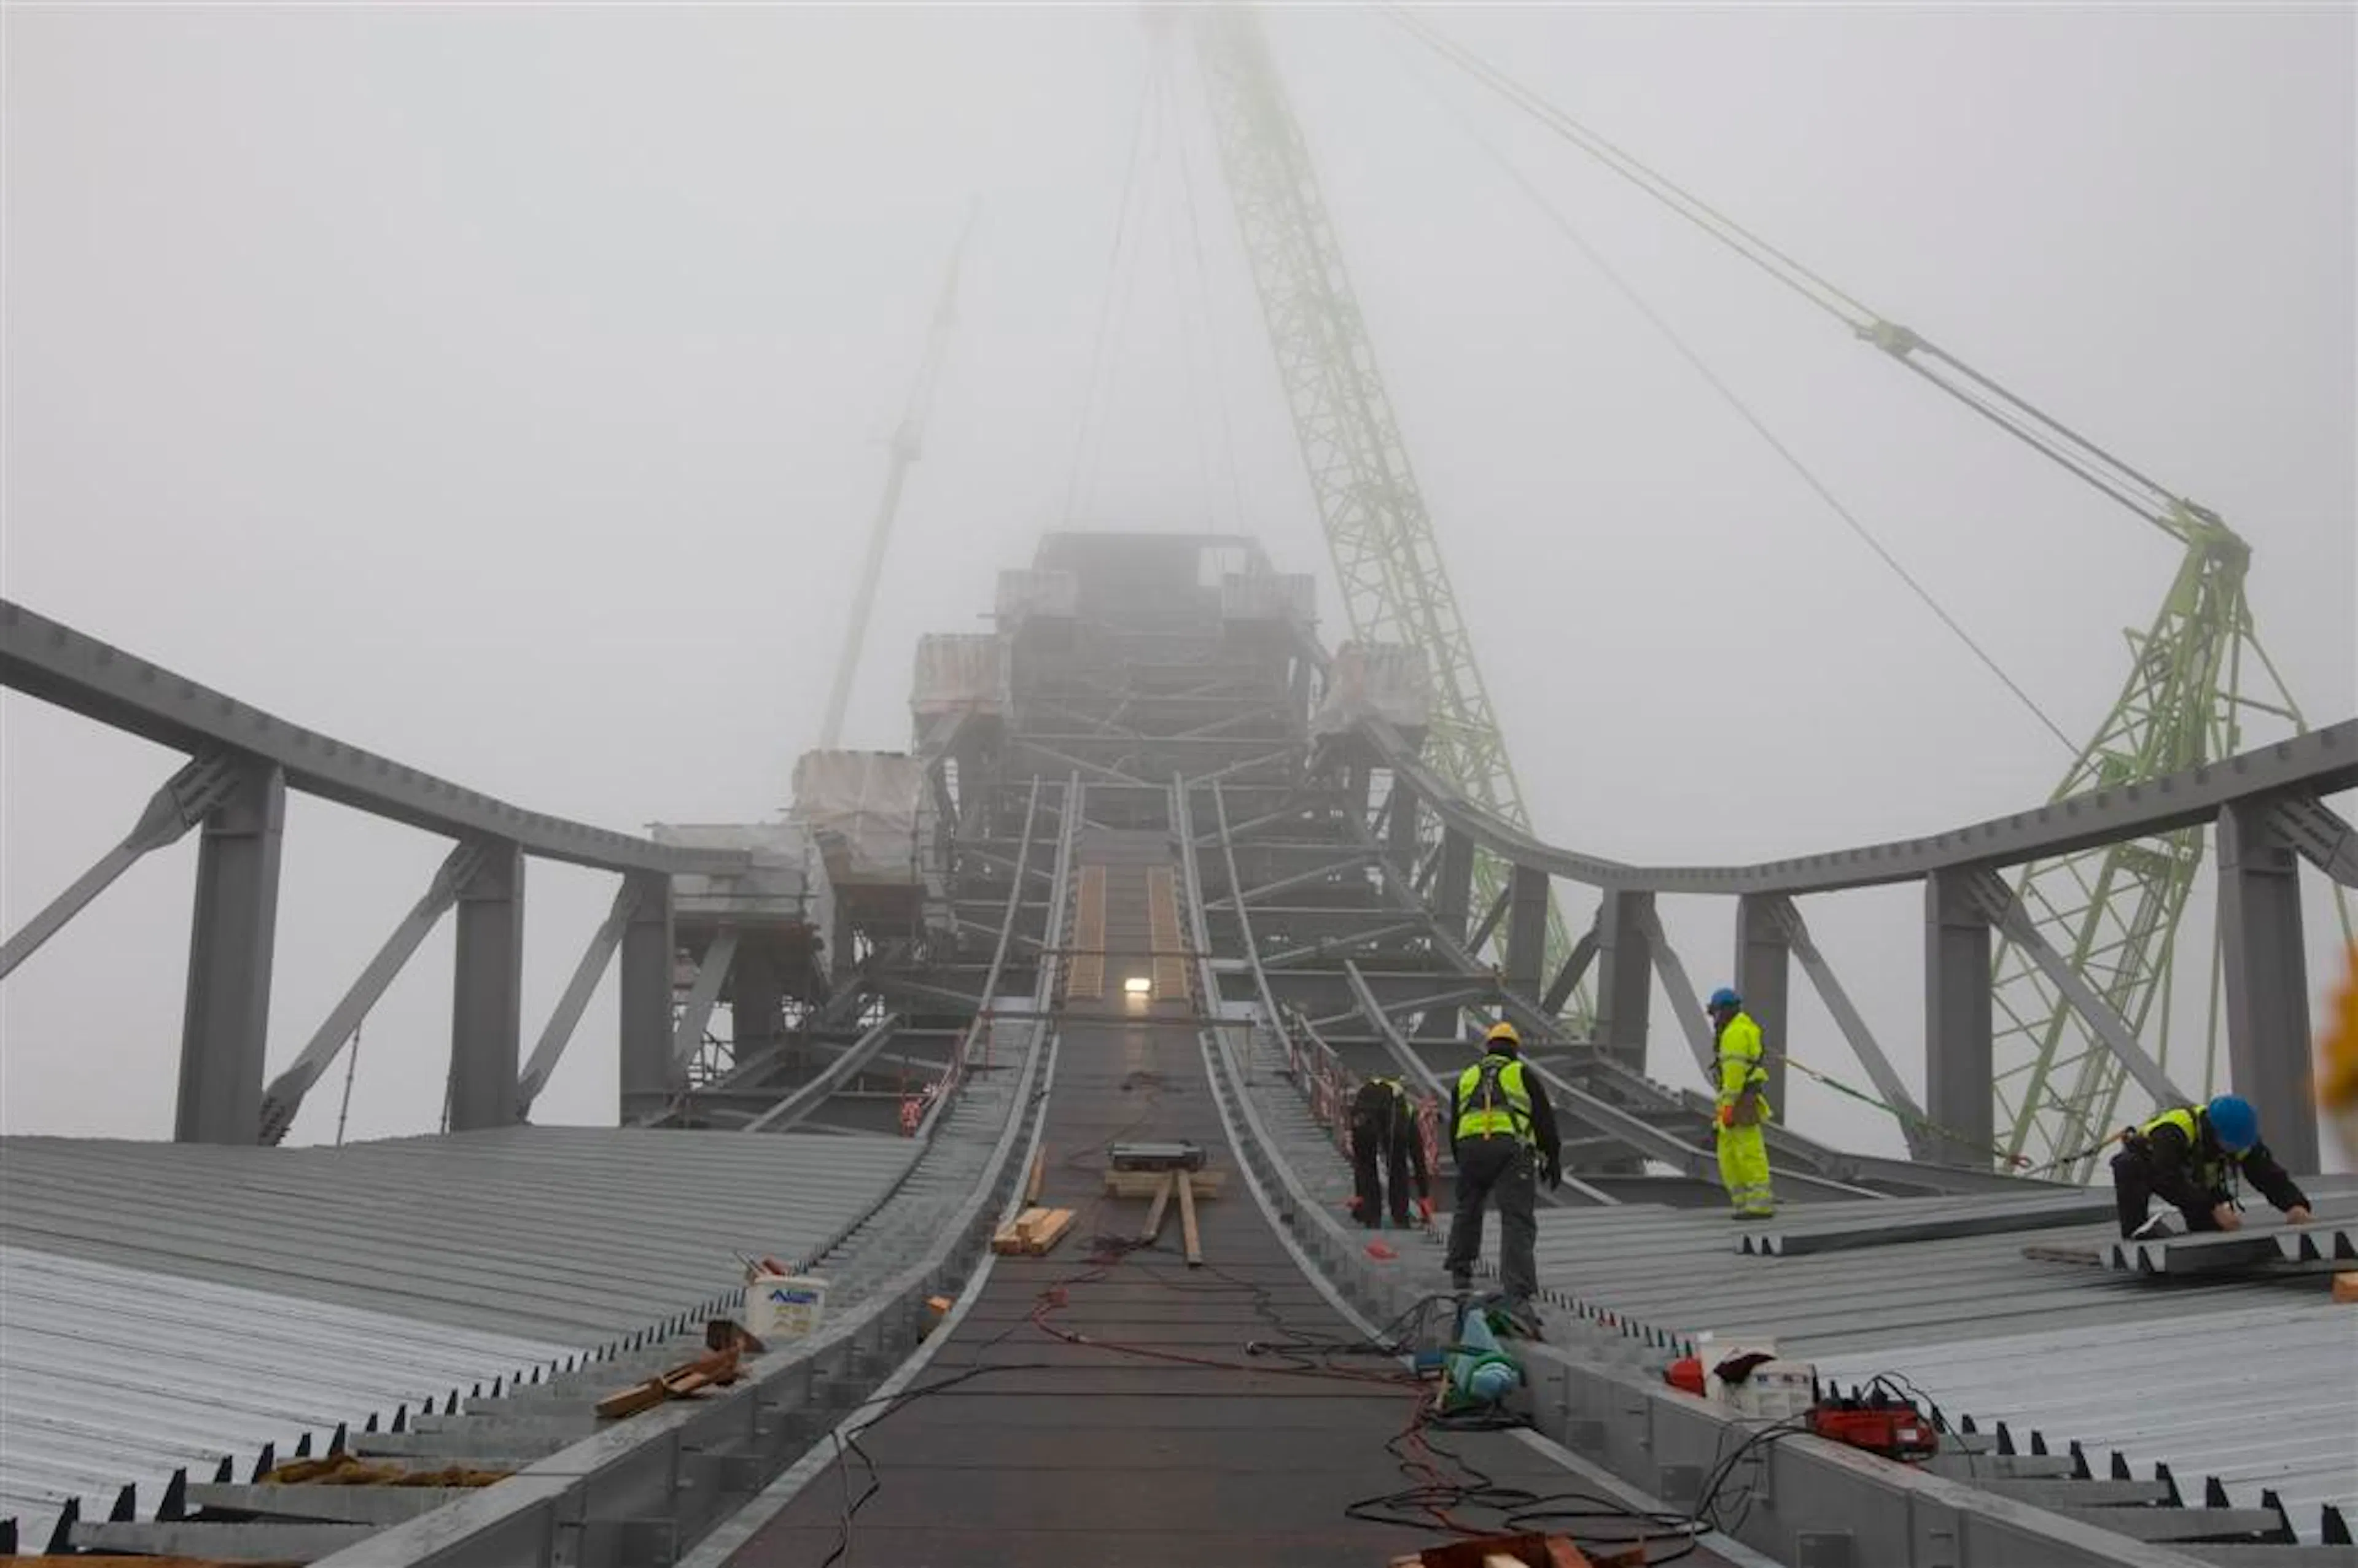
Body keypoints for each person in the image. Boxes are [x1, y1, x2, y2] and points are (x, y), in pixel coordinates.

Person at [1444, 1021, 1563, 1309]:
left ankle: (1460, 1271)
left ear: (1488, 1048)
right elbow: (1544, 1119)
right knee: (1516, 1217)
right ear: (1515, 1049)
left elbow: (1455, 1121)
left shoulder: (1468, 1075)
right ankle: (1517, 1286)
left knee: (1468, 1209)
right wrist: (1552, 1158)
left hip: (1471, 1148)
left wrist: (1461, 1157)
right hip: (1510, 1150)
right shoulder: (1520, 1073)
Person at [2113, 1093, 2314, 1241]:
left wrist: (2294, 1205)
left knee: (2216, 1226)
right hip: (2152, 1166)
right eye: (2231, 1146)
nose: (2236, 1150)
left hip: (2194, 1179)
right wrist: (2212, 1207)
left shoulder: (2239, 1138)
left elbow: (2266, 1173)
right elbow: (2166, 1177)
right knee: (2128, 1165)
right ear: (2213, 1132)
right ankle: (2137, 1229)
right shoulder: (2173, 1130)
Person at [1705, 987, 1775, 1220]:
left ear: (1724, 1010)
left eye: (1715, 1012)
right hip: (1737, 1100)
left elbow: (1734, 1075)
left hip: (1739, 1102)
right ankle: (1745, 1203)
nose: (1714, 1019)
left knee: (1746, 1153)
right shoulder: (1739, 1029)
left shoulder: (1734, 1033)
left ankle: (1759, 1204)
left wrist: (1727, 1108)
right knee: (1731, 1155)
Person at [1347, 1074, 1433, 1228]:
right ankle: (1400, 1219)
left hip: (1363, 1114)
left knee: (1366, 1165)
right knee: (1398, 1166)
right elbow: (1418, 1157)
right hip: (1393, 1114)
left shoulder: (1366, 1094)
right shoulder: (1406, 1110)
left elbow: (1360, 1158)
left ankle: (1372, 1217)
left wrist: (1360, 1194)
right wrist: (1424, 1195)